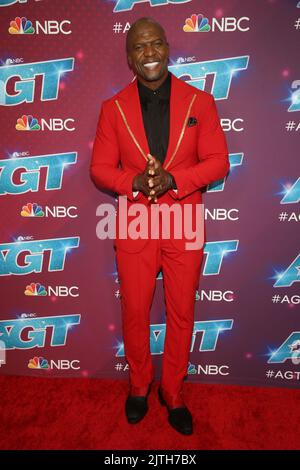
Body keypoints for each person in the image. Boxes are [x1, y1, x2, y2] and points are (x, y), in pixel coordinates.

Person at [90, 17, 229, 435]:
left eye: (154, 44)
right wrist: (132, 182)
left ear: (167, 47)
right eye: (138, 47)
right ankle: (138, 386)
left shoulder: (199, 102)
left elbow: (219, 162)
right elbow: (99, 169)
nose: (148, 52)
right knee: (134, 310)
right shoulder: (113, 108)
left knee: (181, 311)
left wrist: (175, 180)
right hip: (134, 220)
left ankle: (174, 392)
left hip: (183, 217)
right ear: (129, 57)